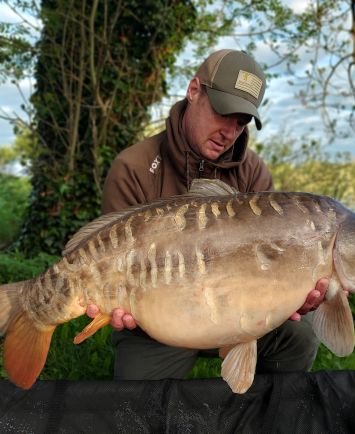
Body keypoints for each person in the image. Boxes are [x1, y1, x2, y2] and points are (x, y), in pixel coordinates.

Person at [86, 49, 328, 381]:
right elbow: (108, 265)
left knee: (301, 335)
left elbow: (274, 261)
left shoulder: (254, 175)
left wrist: (293, 293)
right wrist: (116, 303)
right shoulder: (135, 168)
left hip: (240, 314)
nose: (230, 131)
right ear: (194, 90)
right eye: (223, 112)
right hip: (160, 322)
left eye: (241, 121)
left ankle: (260, 415)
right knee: (137, 401)